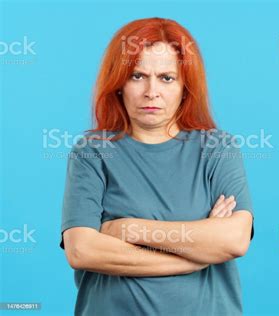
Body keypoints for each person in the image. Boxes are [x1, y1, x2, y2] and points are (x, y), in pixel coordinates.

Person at [59, 17, 254, 315]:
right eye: (137, 76)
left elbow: (234, 239)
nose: (152, 91)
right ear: (119, 83)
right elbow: (81, 250)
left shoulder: (218, 149)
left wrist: (127, 228)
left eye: (166, 77)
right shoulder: (93, 152)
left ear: (185, 86)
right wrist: (197, 255)